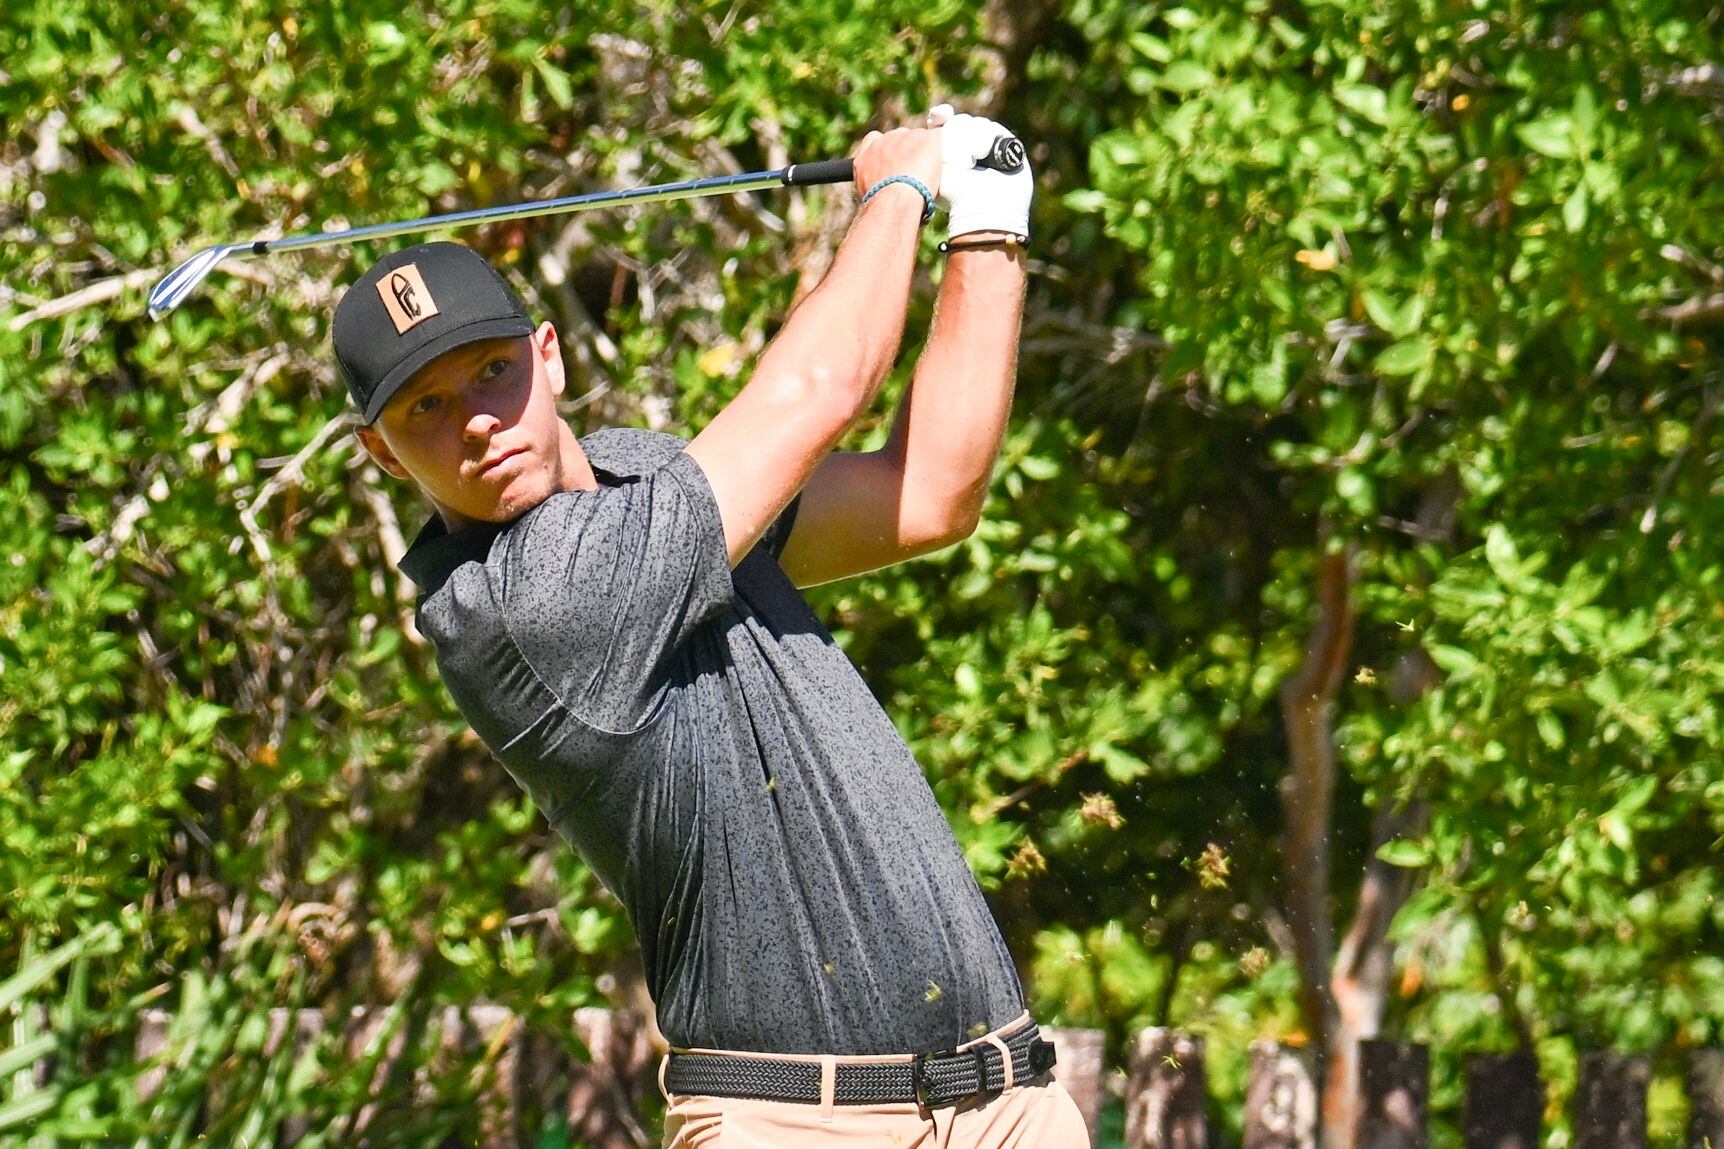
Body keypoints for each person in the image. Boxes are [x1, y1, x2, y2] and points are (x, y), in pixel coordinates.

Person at [334, 104, 1088, 1148]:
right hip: (797, 1124)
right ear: (380, 455)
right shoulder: (521, 603)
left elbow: (929, 497)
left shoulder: (647, 480)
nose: (474, 420)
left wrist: (989, 222)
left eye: (491, 372)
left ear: (546, 357)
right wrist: (895, 189)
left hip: (1009, 1102)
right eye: (423, 408)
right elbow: (817, 388)